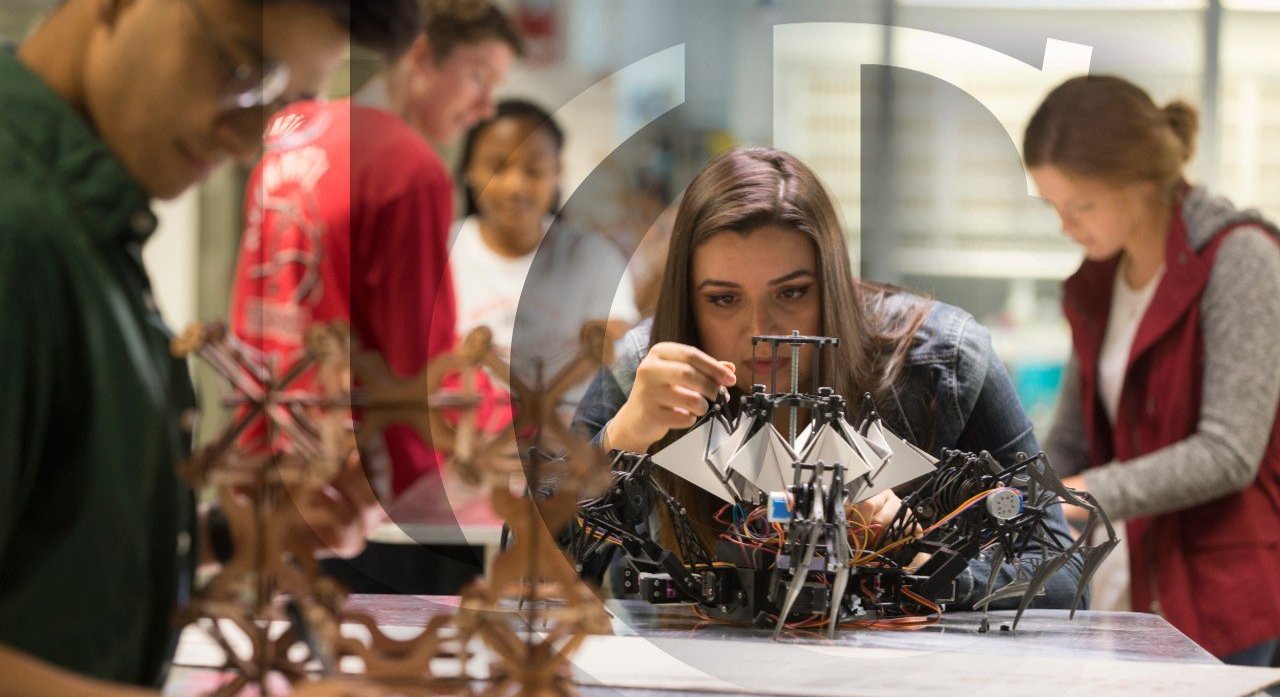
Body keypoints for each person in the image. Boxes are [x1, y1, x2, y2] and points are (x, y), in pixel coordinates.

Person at [0, 0, 424, 697]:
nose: (247, 137)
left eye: (285, 104)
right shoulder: (19, 228)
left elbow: (48, 542)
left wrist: (230, 536)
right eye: (240, 71)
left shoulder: (87, 226)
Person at [573, 146, 1084, 609]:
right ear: (688, 301)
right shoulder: (646, 367)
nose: (761, 330)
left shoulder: (945, 362)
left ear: (834, 284)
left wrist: (914, 562)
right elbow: (527, 561)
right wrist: (620, 439)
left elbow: (1066, 574)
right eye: (723, 300)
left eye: (791, 293)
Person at [1026, 75, 1280, 665]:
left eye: (1081, 204)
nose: (1067, 225)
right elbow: (1072, 440)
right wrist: (1014, 492)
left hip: (1225, 598)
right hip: (1129, 587)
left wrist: (1087, 492)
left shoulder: (1240, 258)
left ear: (1140, 181)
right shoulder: (1098, 283)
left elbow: (1229, 451)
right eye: (1055, 206)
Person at [230, 0, 522, 503]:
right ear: (423, 57)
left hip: (268, 455)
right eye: (478, 77)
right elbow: (417, 360)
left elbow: (250, 317)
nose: (486, 107)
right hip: (360, 481)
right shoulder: (409, 169)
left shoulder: (293, 135)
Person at [451, 98, 639, 410]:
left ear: (557, 173)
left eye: (534, 170)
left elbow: (621, 350)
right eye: (498, 167)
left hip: (569, 446)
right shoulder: (438, 254)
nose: (516, 186)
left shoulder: (594, 259)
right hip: (460, 441)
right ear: (469, 169)